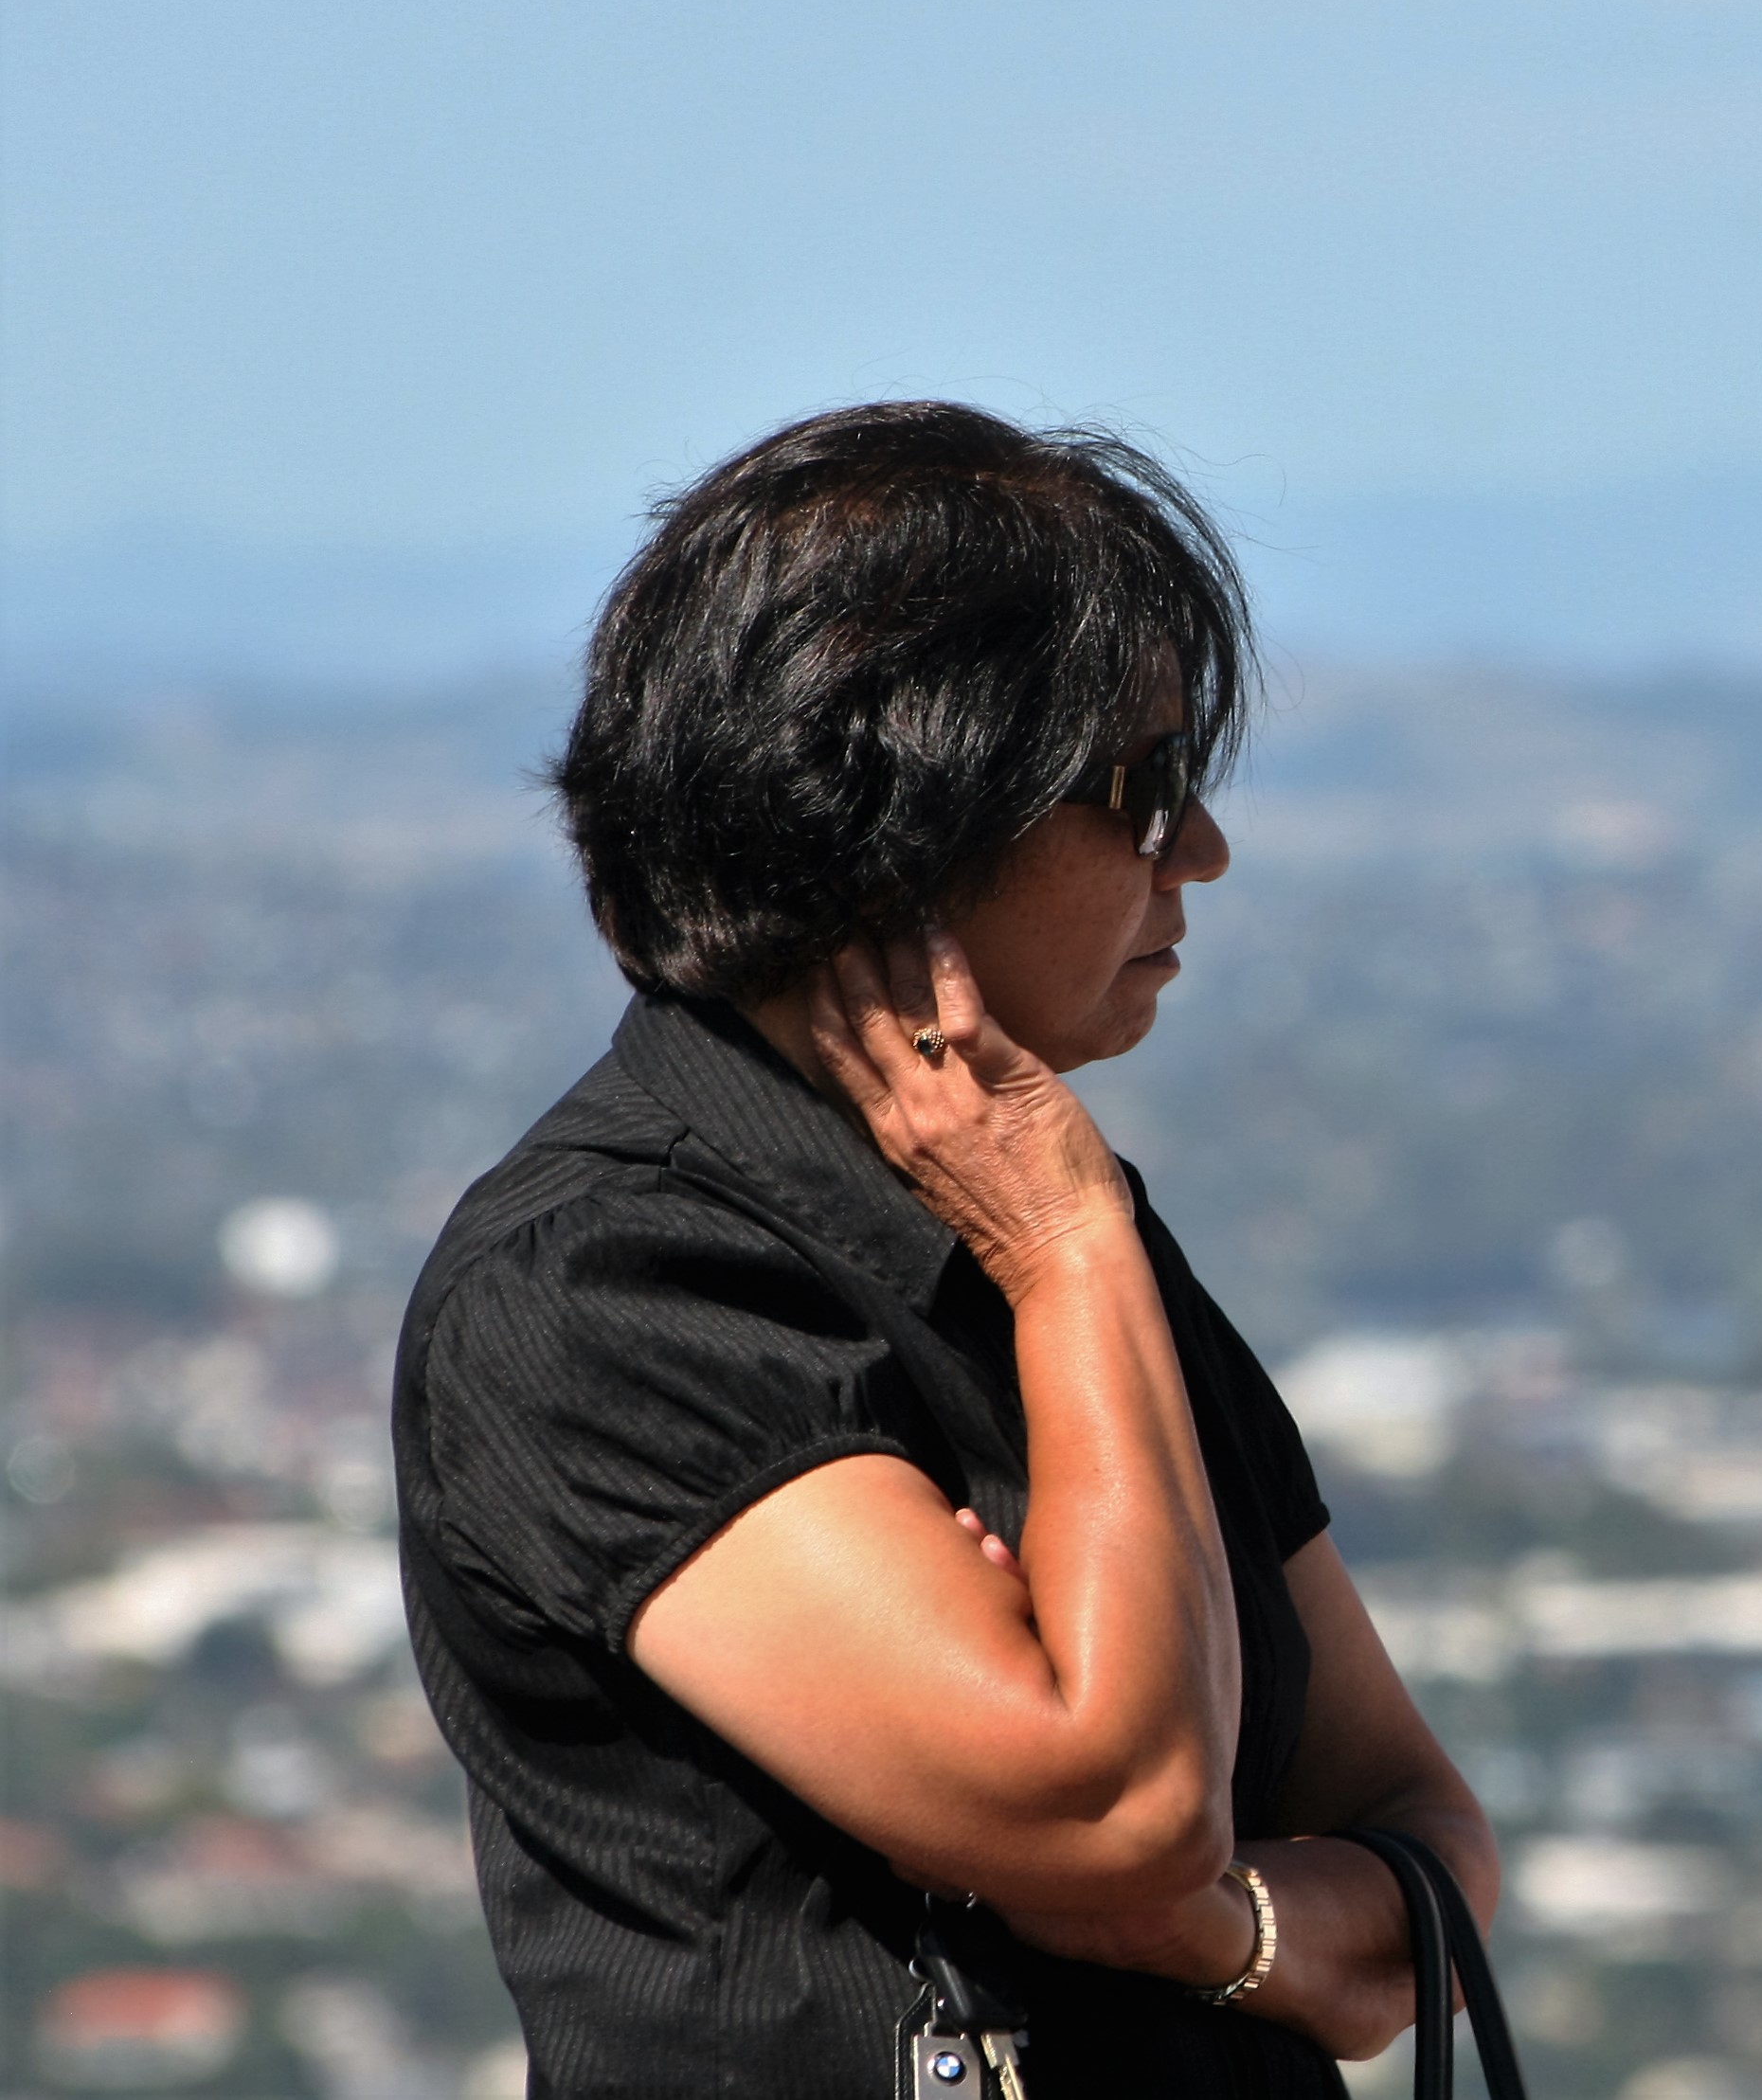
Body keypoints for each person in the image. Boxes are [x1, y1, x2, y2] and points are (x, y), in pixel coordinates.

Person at [392, 401, 1494, 2097]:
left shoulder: (1065, 1230)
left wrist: (1220, 1926)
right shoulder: (609, 1290)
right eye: (1142, 790)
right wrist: (1066, 1258)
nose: (1202, 850)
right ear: (898, 818)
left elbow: (1426, 1857)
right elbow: (1116, 1802)